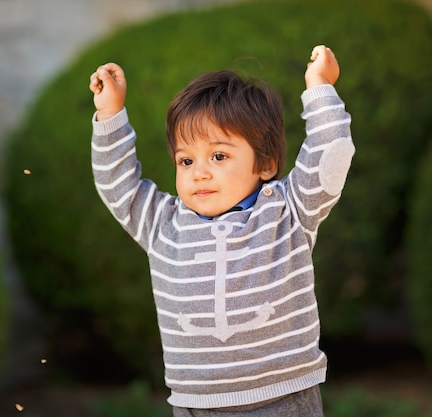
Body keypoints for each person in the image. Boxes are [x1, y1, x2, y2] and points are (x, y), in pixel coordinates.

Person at [89, 45, 354, 417]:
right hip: (197, 407)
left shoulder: (287, 211)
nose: (199, 172)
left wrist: (319, 86)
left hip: (283, 400)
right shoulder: (163, 224)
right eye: (186, 160)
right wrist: (110, 114)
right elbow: (118, 185)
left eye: (218, 156)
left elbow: (331, 156)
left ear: (265, 163)